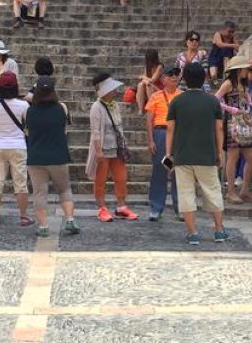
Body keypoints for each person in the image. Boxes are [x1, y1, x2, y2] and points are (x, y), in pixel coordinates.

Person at [166, 62, 228, 244]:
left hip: (182, 154)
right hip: (207, 154)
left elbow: (170, 130)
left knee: (185, 193)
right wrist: (219, 152)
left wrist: (169, 153)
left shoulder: (177, 101)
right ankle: (218, 230)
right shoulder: (212, 101)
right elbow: (219, 129)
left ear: (184, 78)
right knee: (213, 191)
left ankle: (192, 233)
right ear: (204, 78)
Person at [26, 76, 80, 237]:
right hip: (58, 155)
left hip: (36, 156)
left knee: (39, 193)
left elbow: (27, 132)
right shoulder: (62, 108)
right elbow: (64, 129)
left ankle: (43, 226)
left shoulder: (29, 111)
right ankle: (70, 219)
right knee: (64, 189)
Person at [0, 71, 32, 228]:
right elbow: (29, 126)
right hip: (18, 146)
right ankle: (23, 216)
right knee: (20, 182)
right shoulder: (24, 105)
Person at [89, 73, 138, 222]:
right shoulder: (96, 107)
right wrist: (98, 151)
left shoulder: (115, 105)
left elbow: (119, 126)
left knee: (121, 178)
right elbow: (95, 131)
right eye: (112, 89)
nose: (115, 91)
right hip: (103, 149)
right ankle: (101, 208)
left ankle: (121, 207)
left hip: (117, 148)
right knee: (100, 180)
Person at [215, 58, 252, 205]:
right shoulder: (228, 83)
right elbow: (216, 99)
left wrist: (250, 103)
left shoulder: (243, 84)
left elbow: (246, 97)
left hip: (244, 122)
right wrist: (231, 109)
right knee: (233, 157)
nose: (248, 71)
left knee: (251, 156)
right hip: (232, 122)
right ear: (239, 69)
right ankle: (231, 191)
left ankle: (245, 189)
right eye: (246, 68)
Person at [145, 66, 181, 221]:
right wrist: (150, 140)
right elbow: (149, 120)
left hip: (178, 133)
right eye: (170, 75)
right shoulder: (156, 96)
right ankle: (156, 206)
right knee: (160, 169)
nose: (174, 77)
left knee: (178, 171)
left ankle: (180, 207)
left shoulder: (182, 96)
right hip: (160, 133)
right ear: (163, 79)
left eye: (176, 75)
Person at [135, 48, 163, 113]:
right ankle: (140, 109)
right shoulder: (147, 66)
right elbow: (146, 79)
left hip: (158, 89)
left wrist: (143, 77)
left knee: (148, 85)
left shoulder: (160, 67)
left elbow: (152, 80)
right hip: (149, 87)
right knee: (140, 85)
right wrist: (145, 79)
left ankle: (151, 108)